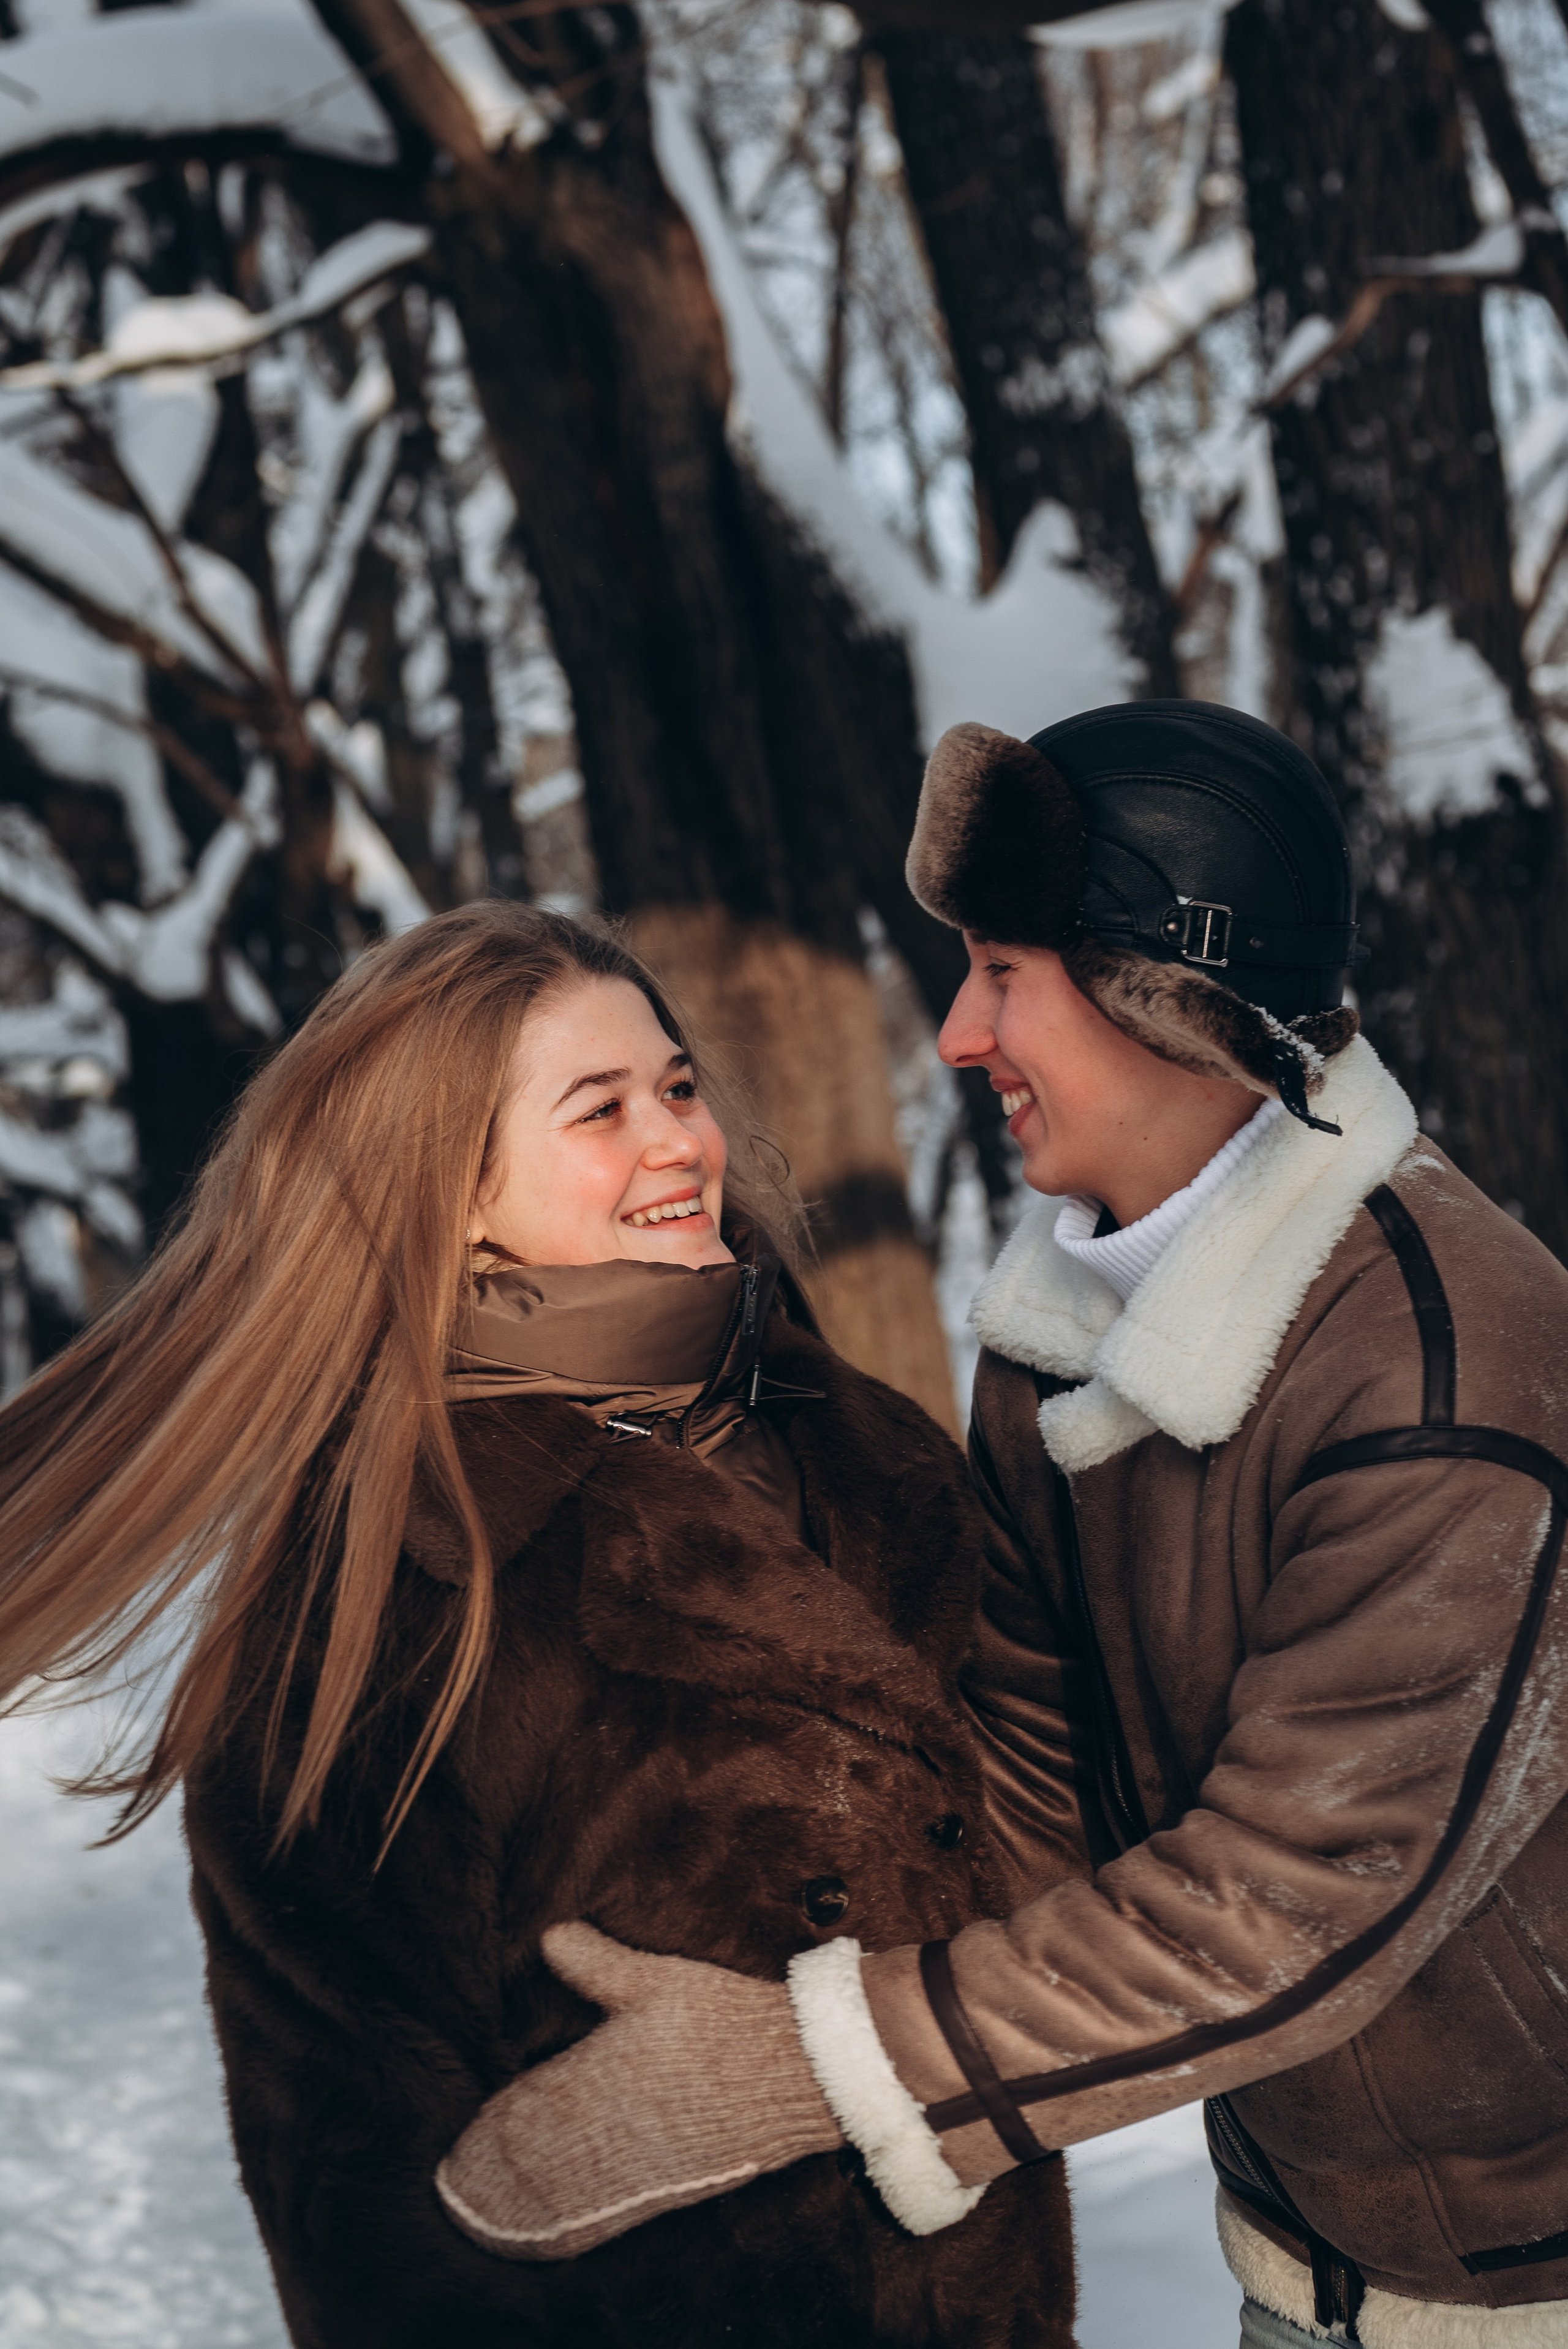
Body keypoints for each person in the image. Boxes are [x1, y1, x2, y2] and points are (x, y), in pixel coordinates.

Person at [435, 706, 1568, 2349]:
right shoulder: (1063, 1355)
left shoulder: (1447, 1379)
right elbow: (1028, 1798)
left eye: (1003, 973)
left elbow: (1296, 1899)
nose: (958, 1034)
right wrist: (733, 1989)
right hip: (1310, 2260)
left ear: (1164, 994)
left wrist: (807, 2069)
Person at [0, 902, 1076, 2349]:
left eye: (678, 1087)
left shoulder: (868, 1452)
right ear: (452, 1191)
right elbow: (363, 2217)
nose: (680, 1142)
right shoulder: (378, 1601)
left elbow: (1042, 1846)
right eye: (600, 1110)